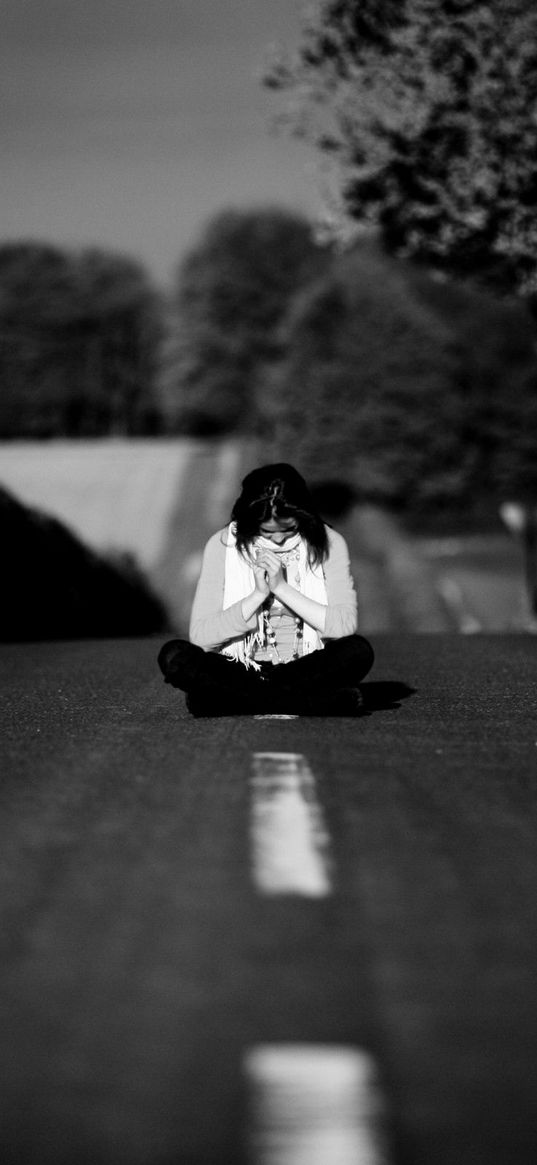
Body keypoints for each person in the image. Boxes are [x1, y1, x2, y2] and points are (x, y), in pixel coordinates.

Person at [157, 463, 374, 716]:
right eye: (267, 533)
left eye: (290, 530)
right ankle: (315, 702)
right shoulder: (222, 546)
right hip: (240, 667)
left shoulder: (330, 543)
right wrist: (257, 596)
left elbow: (343, 625)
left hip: (304, 667)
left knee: (358, 651)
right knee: (174, 656)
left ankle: (225, 701)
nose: (279, 539)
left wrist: (281, 588)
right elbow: (203, 636)